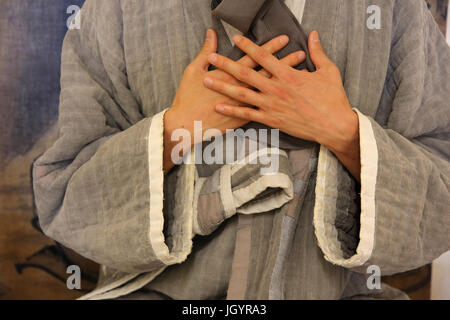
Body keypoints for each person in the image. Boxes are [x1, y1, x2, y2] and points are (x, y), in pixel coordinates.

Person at [32, 0, 450, 300]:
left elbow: (443, 190)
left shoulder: (393, 9)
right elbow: (67, 192)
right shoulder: (117, 9)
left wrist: (343, 131)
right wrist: (177, 128)